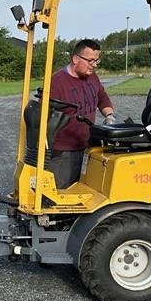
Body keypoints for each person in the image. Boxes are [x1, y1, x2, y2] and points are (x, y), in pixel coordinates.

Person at [47, 38, 116, 188]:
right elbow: (44, 116)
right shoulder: (56, 83)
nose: (94, 65)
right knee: (60, 196)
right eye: (90, 61)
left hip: (89, 147)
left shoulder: (92, 77)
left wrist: (109, 115)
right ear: (75, 59)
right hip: (63, 153)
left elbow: (101, 97)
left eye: (97, 61)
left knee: (87, 192)